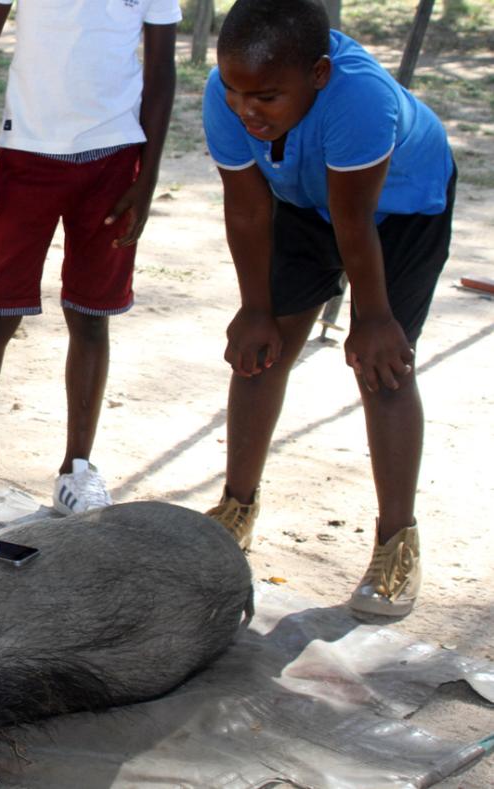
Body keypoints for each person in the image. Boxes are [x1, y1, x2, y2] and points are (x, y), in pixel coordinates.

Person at [201, 0, 454, 618]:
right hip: (309, 205)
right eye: (235, 91)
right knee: (260, 354)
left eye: (264, 97)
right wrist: (256, 307)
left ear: (317, 74)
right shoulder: (229, 92)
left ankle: (398, 542)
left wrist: (373, 320)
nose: (245, 110)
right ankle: (236, 508)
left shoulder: (360, 99)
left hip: (401, 213)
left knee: (383, 369)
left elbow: (355, 219)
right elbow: (248, 206)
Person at [0, 0, 180, 517]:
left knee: (90, 317)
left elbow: (162, 70)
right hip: (26, 156)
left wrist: (145, 181)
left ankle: (77, 470)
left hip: (115, 157)